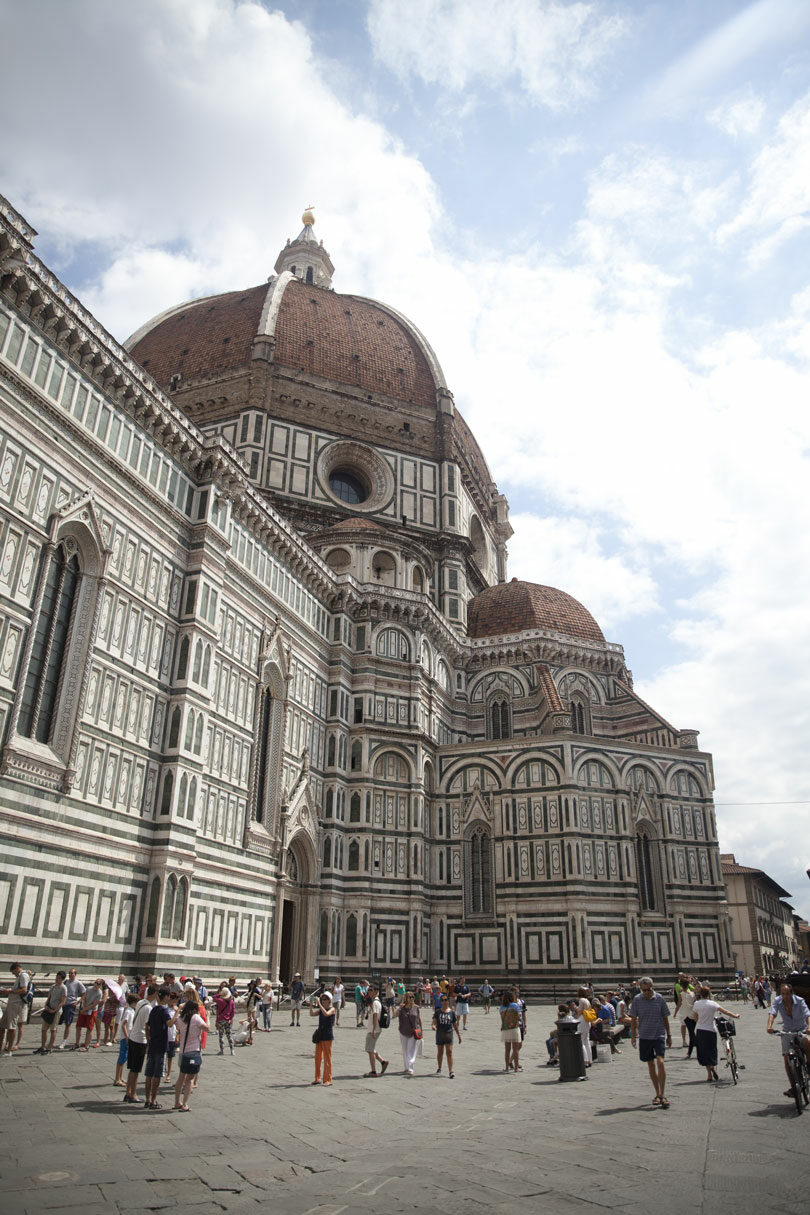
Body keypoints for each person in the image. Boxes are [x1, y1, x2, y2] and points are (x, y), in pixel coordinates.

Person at [630, 976, 672, 1108]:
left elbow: (665, 1017)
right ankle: (658, 1093)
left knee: (660, 1061)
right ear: (641, 990)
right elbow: (633, 1018)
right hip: (645, 1036)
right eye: (644, 990)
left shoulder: (659, 998)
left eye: (649, 990)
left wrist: (669, 1034)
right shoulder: (637, 1000)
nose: (647, 992)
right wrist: (633, 1035)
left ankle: (662, 1094)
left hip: (659, 1034)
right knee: (651, 1065)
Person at [766, 981, 810, 1099]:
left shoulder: (799, 1001)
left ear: (791, 993)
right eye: (782, 993)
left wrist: (809, 1027)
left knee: (807, 1042)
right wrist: (769, 1026)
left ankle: (809, 1065)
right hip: (787, 1032)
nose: (784, 996)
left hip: (801, 1029)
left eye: (787, 993)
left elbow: (807, 1015)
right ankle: (793, 1087)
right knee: (787, 1058)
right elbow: (772, 1013)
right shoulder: (777, 1001)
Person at [692, 985, 739, 1082]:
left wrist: (701, 1020)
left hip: (701, 1030)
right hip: (711, 1030)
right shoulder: (712, 1004)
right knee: (712, 1050)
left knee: (703, 1051)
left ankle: (709, 1074)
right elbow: (725, 1011)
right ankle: (713, 1065)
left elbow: (695, 1018)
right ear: (708, 994)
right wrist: (735, 1015)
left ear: (700, 994)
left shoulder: (696, 1004)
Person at [124, 983, 157, 1104]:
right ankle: (133, 1094)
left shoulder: (140, 1002)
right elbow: (148, 1026)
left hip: (133, 1037)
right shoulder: (148, 1008)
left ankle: (128, 1092)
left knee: (132, 1069)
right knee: (136, 1070)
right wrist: (149, 1042)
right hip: (140, 1039)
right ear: (154, 994)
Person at [174, 997, 207, 1112]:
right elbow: (207, 1028)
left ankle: (177, 1102)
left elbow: (178, 1029)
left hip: (183, 1052)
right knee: (189, 1080)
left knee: (180, 1078)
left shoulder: (180, 1018)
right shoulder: (196, 1018)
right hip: (193, 1051)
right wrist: (206, 1018)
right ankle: (185, 1104)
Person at [144, 987, 174, 1109]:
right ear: (166, 997)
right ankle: (154, 1101)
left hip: (152, 1045)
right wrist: (177, 1012)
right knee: (157, 1074)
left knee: (149, 1074)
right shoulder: (164, 1010)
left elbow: (147, 1026)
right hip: (161, 1046)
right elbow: (170, 1023)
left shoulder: (154, 1009)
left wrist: (149, 1040)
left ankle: (147, 1100)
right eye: (169, 996)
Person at [0, 962, 30, 1055]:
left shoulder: (23, 976)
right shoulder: (19, 976)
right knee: (2, 1026)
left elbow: (24, 990)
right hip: (11, 1004)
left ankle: (9, 1051)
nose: (13, 974)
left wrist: (10, 991)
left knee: (11, 1027)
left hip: (16, 1004)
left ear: (17, 969)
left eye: (13, 972)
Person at [35, 971, 67, 1055]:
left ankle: (50, 1047)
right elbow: (49, 997)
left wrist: (55, 1010)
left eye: (59, 978)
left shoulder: (63, 988)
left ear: (62, 979)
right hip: (48, 1009)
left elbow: (63, 1001)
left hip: (56, 1012)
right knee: (44, 1029)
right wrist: (46, 1005)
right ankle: (42, 1047)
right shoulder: (52, 986)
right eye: (57, 977)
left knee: (53, 1029)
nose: (57, 979)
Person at [310, 989, 336, 1085]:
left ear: (329, 1000)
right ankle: (317, 1078)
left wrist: (319, 1005)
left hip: (328, 1035)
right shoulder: (321, 1010)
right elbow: (311, 1014)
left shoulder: (332, 1009)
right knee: (317, 1057)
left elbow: (326, 1014)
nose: (324, 1000)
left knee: (327, 1058)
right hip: (320, 1034)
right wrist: (311, 1005)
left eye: (326, 999)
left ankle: (328, 1079)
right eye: (323, 999)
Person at [433, 993, 461, 1077]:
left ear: (448, 1001)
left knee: (449, 1052)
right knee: (440, 1052)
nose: (445, 1002)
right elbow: (434, 1021)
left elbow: (455, 1025)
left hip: (449, 1033)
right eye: (443, 1000)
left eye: (446, 1000)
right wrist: (433, 1026)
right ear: (441, 1002)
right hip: (440, 1034)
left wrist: (458, 1035)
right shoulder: (438, 1012)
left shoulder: (452, 1012)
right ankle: (439, 1067)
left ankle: (451, 1071)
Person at [363, 983, 389, 1077]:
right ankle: (383, 1062)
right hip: (372, 1029)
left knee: (370, 1050)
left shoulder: (375, 1003)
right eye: (368, 990)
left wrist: (374, 1029)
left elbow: (375, 1016)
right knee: (370, 1049)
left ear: (377, 991)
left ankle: (373, 1071)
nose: (369, 991)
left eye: (371, 990)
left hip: (374, 1029)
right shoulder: (374, 1002)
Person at [114, 992, 139, 1087]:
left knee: (124, 1058)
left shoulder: (131, 1010)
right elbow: (124, 1024)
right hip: (126, 1037)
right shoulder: (128, 1011)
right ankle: (117, 1079)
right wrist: (127, 1037)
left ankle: (120, 1077)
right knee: (122, 1057)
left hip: (129, 1036)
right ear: (133, 1002)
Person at [58, 968, 85, 1049]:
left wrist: (78, 1002)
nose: (70, 974)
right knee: (57, 1022)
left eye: (72, 973)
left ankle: (64, 1041)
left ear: (75, 974)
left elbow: (84, 993)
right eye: (69, 973)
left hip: (70, 1005)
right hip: (63, 1004)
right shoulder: (66, 982)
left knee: (68, 1024)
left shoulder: (78, 983)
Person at [75, 978, 104, 1051]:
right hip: (85, 1008)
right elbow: (84, 997)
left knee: (89, 1028)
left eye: (98, 984)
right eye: (95, 982)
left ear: (100, 985)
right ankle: (77, 1043)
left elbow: (94, 1005)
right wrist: (83, 1007)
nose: (96, 984)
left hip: (92, 1011)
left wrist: (85, 1009)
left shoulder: (99, 993)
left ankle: (86, 1046)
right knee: (78, 1026)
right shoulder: (89, 988)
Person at [397, 990, 422, 1076]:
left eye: (412, 997)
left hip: (413, 1031)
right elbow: (394, 1015)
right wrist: (399, 1008)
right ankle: (406, 1067)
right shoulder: (402, 1008)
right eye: (410, 997)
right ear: (406, 998)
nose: (411, 998)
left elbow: (419, 1019)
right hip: (403, 1031)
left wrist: (421, 1030)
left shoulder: (416, 1007)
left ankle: (411, 1068)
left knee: (411, 1049)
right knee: (404, 1050)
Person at [674, 976, 698, 1058]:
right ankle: (690, 1052)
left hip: (686, 1016)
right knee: (692, 1033)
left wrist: (675, 1013)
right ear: (688, 985)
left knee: (692, 1033)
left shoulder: (681, 994)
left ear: (681, 985)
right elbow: (695, 1004)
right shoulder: (693, 994)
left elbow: (678, 1004)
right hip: (693, 1015)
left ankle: (698, 1047)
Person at [499, 989, 522, 1072]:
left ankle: (506, 1067)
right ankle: (516, 1068)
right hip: (514, 1028)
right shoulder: (515, 1005)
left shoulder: (501, 1007)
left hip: (505, 1029)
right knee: (515, 1049)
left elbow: (502, 1018)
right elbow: (518, 1016)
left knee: (507, 1049)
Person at [212, 985, 236, 1055]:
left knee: (221, 1035)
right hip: (228, 1020)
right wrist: (230, 1019)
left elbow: (213, 997)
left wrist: (220, 994)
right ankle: (232, 1050)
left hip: (220, 1019)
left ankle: (222, 1050)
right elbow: (233, 1012)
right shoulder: (231, 1002)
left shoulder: (220, 1001)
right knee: (229, 1035)